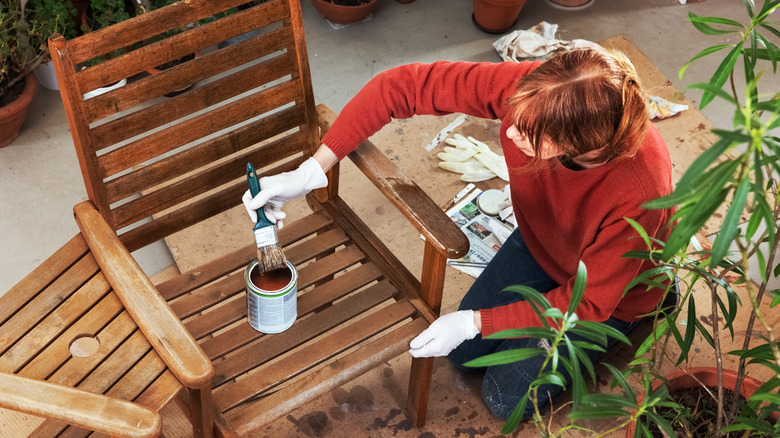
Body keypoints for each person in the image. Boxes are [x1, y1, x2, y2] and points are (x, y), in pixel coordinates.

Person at [242, 47, 674, 420]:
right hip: (545, 245)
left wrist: (474, 321)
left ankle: (649, 308)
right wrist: (313, 169)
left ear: (578, 146)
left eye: (528, 136)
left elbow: (591, 301)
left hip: (606, 295)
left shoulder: (639, 188)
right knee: (465, 353)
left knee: (503, 398)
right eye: (516, 118)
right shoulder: (539, 95)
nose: (509, 131)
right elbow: (400, 87)